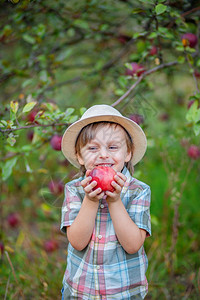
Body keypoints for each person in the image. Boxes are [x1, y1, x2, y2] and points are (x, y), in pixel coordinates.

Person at [60, 104, 151, 299]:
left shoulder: (139, 192)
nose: (103, 154)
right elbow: (77, 241)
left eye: (112, 147)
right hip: (80, 292)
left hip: (124, 293)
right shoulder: (74, 190)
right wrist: (90, 202)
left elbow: (133, 245)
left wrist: (115, 201)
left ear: (128, 154)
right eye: (93, 148)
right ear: (79, 156)